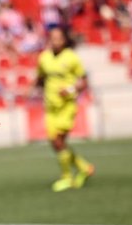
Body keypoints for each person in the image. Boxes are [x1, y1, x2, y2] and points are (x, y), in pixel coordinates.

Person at [35, 27, 94, 192]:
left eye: (59, 38)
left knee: (59, 140)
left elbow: (83, 82)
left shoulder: (72, 58)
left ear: (64, 40)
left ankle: (67, 177)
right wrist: (34, 90)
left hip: (66, 106)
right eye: (52, 38)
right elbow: (39, 78)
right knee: (56, 143)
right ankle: (84, 167)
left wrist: (69, 90)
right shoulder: (44, 58)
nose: (55, 41)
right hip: (50, 107)